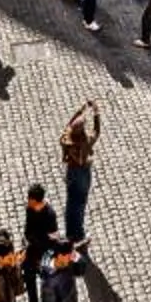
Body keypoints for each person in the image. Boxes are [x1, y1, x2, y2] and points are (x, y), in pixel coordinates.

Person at [59, 101, 101, 246]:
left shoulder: (67, 139)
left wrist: (79, 111)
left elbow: (69, 125)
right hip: (82, 173)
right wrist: (96, 113)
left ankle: (70, 232)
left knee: (71, 202)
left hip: (71, 171)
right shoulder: (85, 142)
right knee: (80, 203)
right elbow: (97, 131)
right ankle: (79, 235)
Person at [39, 238, 83, 302]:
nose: (71, 259)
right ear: (60, 257)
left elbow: (81, 271)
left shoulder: (66, 261)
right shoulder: (49, 283)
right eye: (69, 257)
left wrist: (77, 258)